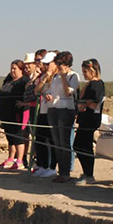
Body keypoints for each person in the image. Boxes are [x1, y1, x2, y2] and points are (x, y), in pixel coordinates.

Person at [45, 51, 80, 183]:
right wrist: (48, 95)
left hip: (66, 110)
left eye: (61, 64)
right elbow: (50, 91)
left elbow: (68, 92)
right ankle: (61, 171)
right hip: (53, 109)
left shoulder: (73, 76)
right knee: (57, 142)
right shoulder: (55, 77)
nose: (59, 66)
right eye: (57, 63)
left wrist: (65, 77)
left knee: (64, 142)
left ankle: (66, 172)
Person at [74, 59, 105, 185]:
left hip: (90, 119)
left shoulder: (97, 84)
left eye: (86, 71)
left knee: (84, 146)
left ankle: (89, 174)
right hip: (84, 118)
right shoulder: (90, 83)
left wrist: (84, 103)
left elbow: (95, 101)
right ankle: (86, 172)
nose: (84, 74)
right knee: (79, 145)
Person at [0, 60, 29, 170]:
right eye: (11, 68)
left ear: (21, 69)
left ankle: (19, 160)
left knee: (18, 136)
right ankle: (10, 158)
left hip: (17, 113)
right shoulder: (8, 80)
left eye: (15, 68)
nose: (12, 71)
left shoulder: (24, 81)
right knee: (10, 137)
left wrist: (25, 103)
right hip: (6, 113)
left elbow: (29, 96)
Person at [33, 51, 58, 178]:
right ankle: (43, 165)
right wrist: (45, 76)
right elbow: (37, 90)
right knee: (40, 138)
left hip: (52, 111)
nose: (47, 66)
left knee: (52, 140)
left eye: (49, 64)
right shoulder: (47, 77)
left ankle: (52, 166)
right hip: (43, 110)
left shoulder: (58, 77)